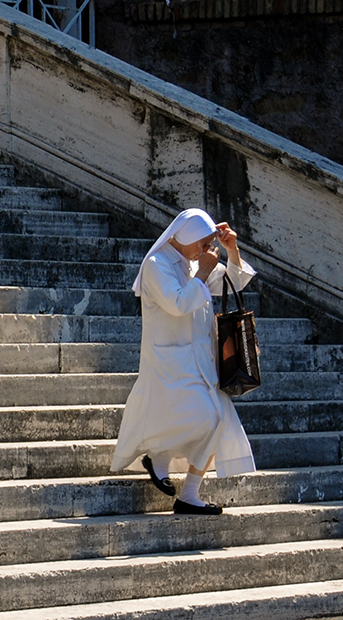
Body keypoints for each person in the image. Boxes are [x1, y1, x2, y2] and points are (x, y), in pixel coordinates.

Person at [111, 207, 257, 515]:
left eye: (209, 244)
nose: (206, 251)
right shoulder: (156, 264)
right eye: (202, 244)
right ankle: (157, 457)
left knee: (217, 420)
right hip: (170, 361)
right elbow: (178, 303)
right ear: (186, 237)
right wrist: (203, 272)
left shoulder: (193, 263)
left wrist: (232, 251)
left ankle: (189, 493)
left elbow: (232, 281)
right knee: (204, 418)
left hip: (200, 361)